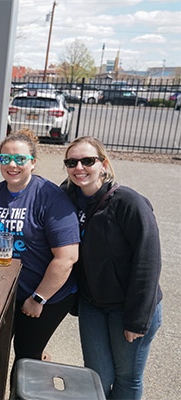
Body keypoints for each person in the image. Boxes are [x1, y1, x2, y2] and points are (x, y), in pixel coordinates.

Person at [61, 136, 162, 399]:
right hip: (93, 305)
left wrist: (137, 319)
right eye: (72, 162)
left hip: (129, 307)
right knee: (96, 378)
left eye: (87, 161)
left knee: (126, 379)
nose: (79, 167)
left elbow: (148, 261)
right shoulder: (68, 199)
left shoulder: (128, 202)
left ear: (103, 164)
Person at [0, 129, 79, 363]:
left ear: (33, 162)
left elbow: (66, 258)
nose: (12, 164)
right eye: (5, 158)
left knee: (26, 356)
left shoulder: (50, 197)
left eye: (20, 159)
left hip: (47, 295)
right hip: (7, 291)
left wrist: (38, 298)